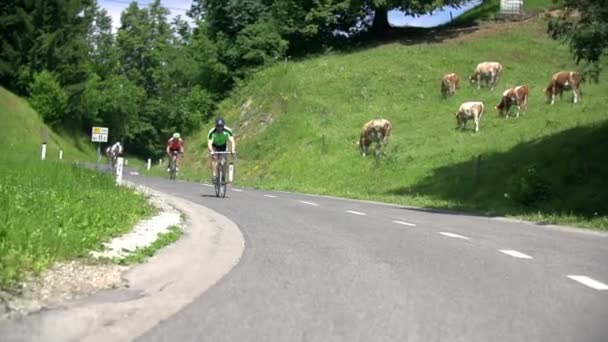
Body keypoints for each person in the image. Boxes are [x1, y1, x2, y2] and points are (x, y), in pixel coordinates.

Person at [208, 117, 236, 183]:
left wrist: (233, 150)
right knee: (214, 158)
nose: (219, 128)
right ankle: (214, 176)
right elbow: (209, 143)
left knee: (224, 160)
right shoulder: (212, 132)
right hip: (214, 146)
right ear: (216, 126)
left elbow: (232, 141)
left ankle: (223, 177)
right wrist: (212, 151)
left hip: (223, 146)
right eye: (218, 126)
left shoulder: (228, 131)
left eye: (221, 126)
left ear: (223, 126)